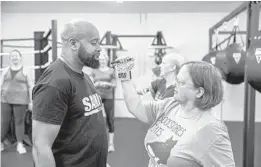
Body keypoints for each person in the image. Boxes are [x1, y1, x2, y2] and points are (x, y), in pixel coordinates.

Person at [115, 58, 235, 167]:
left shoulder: (211, 131)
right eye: (176, 80)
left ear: (199, 92)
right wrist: (124, 75)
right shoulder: (172, 105)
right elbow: (136, 107)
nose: (174, 84)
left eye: (181, 83)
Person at [32, 20, 109, 167]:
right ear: (73, 44)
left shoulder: (84, 76)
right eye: (94, 43)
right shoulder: (55, 82)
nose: (100, 48)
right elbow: (40, 147)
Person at [1, 49, 33, 154]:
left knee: (19, 122)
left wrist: (31, 101)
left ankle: (20, 144)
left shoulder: (26, 70)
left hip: (21, 100)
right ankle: (0, 142)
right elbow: (0, 85)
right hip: (5, 99)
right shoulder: (5, 71)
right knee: (4, 122)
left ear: (20, 57)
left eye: (16, 56)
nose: (15, 58)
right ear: (10, 58)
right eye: (12, 56)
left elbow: (30, 86)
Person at [91, 52, 116, 153]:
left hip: (108, 97)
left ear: (107, 60)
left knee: (110, 120)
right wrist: (96, 84)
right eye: (100, 59)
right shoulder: (95, 71)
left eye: (103, 59)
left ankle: (111, 144)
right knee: (95, 120)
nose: (102, 61)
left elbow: (114, 84)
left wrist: (107, 83)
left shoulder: (111, 71)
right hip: (97, 97)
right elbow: (91, 85)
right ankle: (97, 142)